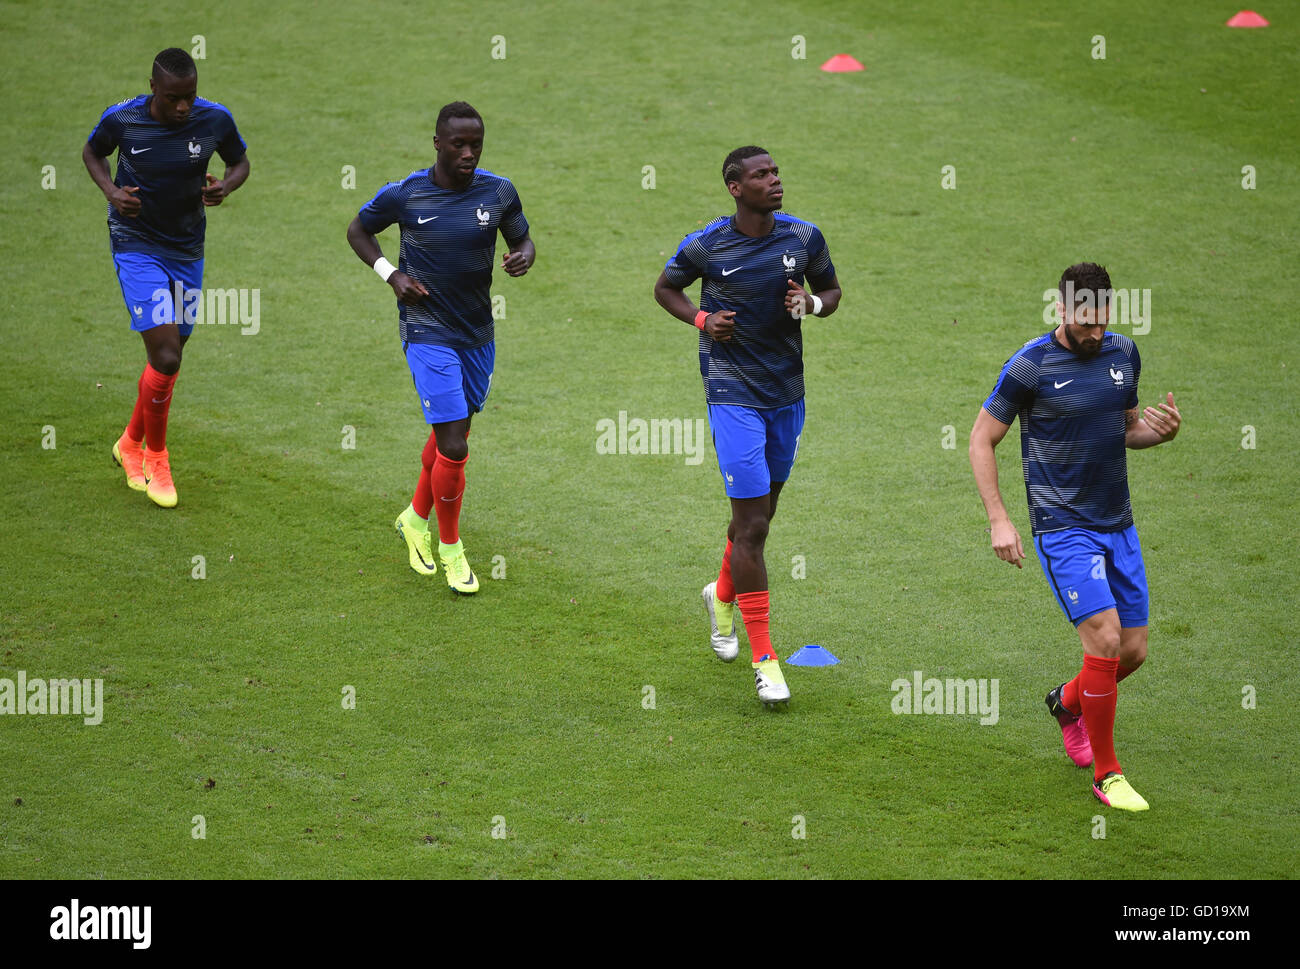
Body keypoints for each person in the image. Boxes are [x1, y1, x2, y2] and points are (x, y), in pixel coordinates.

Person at [969, 262, 1181, 811]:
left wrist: (1157, 434)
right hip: (1062, 527)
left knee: (1132, 653)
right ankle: (1108, 775)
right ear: (1061, 310)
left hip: (1119, 523)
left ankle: (1066, 703)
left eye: (1101, 321)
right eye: (1084, 321)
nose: (1093, 333)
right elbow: (980, 439)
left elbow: (1126, 426)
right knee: (1105, 641)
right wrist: (999, 518)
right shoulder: (1030, 366)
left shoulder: (1124, 354)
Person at [653, 146, 841, 708]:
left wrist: (812, 304)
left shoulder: (803, 238)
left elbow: (832, 291)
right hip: (732, 394)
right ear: (736, 187)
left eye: (776, 172)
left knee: (762, 517)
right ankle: (765, 659)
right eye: (762, 175)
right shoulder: (707, 245)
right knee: (753, 526)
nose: (775, 181)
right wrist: (704, 319)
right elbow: (666, 288)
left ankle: (721, 592)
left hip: (788, 393)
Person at [347, 101, 534, 594]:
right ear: (437, 143)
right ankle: (451, 549)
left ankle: (414, 517)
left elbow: (522, 235)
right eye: (459, 144)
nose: (469, 152)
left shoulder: (498, 192)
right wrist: (392, 275)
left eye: (476, 144)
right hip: (426, 328)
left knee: (455, 435)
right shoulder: (407, 195)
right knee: (454, 443)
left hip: (476, 332)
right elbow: (358, 230)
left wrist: (522, 256)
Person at [84, 47, 250, 508]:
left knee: (171, 352)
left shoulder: (214, 119)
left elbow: (240, 163)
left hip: (186, 248)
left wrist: (226, 186)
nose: (183, 108)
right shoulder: (123, 119)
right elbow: (93, 152)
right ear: (154, 87)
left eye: (190, 97)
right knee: (167, 353)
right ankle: (156, 457)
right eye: (175, 98)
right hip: (137, 245)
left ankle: (129, 442)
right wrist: (112, 192)